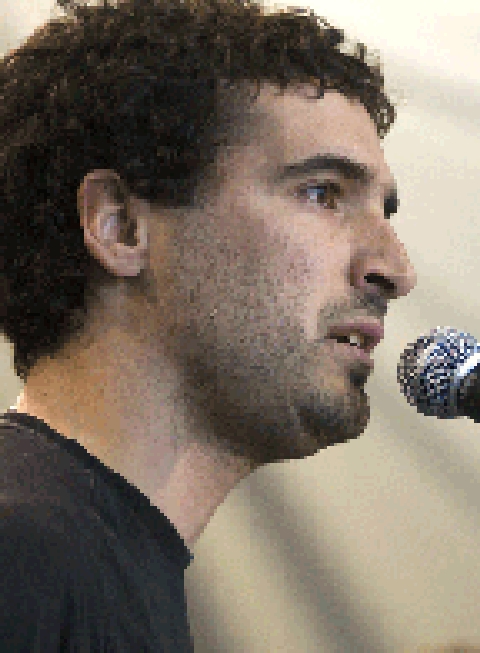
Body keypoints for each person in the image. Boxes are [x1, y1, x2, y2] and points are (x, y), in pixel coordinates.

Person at [0, 0, 417, 649]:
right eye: (322, 192)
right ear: (120, 227)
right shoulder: (19, 553)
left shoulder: (96, 567)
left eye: (384, 211)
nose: (395, 269)